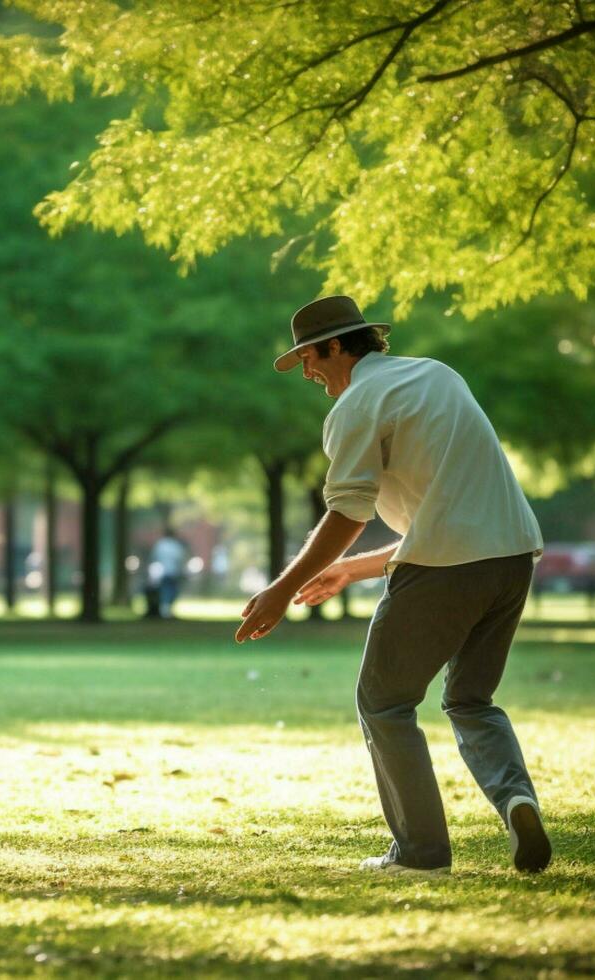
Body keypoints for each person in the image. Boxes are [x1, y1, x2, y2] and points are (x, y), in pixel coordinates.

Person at [236, 295, 550, 877]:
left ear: (337, 346)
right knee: (470, 700)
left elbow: (348, 512)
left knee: (384, 703)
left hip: (443, 571)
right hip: (512, 559)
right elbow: (452, 513)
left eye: (308, 357)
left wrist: (281, 588)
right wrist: (352, 569)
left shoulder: (356, 404)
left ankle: (421, 853)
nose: (306, 372)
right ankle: (517, 802)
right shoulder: (438, 375)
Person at [149, 527, 188, 618]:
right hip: (173, 571)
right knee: (172, 590)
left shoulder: (160, 545)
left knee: (165, 590)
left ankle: (165, 609)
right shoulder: (175, 545)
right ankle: (167, 609)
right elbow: (180, 558)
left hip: (162, 571)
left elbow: (154, 557)